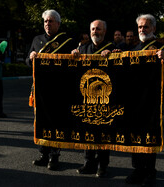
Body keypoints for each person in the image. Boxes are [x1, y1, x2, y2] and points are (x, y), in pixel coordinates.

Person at [26, 9, 75, 171]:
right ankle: (43, 154)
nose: (48, 24)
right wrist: (31, 57)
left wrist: (76, 54)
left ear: (58, 24)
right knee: (41, 122)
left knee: (56, 124)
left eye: (51, 21)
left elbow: (75, 63)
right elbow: (27, 61)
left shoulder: (67, 41)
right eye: (46, 21)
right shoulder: (36, 39)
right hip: (40, 89)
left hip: (58, 90)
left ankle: (55, 156)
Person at [126, 14, 164, 186]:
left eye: (146, 27)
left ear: (153, 29)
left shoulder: (161, 47)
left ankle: (150, 171)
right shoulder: (135, 48)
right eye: (140, 27)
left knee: (150, 136)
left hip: (151, 101)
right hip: (134, 100)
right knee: (135, 136)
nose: (142, 30)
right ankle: (138, 169)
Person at [71, 19, 115, 178]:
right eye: (93, 29)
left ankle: (103, 165)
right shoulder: (82, 48)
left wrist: (112, 57)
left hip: (105, 99)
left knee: (103, 134)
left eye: (99, 29)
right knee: (87, 132)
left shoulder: (113, 48)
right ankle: (88, 163)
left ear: (105, 31)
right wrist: (73, 56)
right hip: (86, 98)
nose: (95, 32)